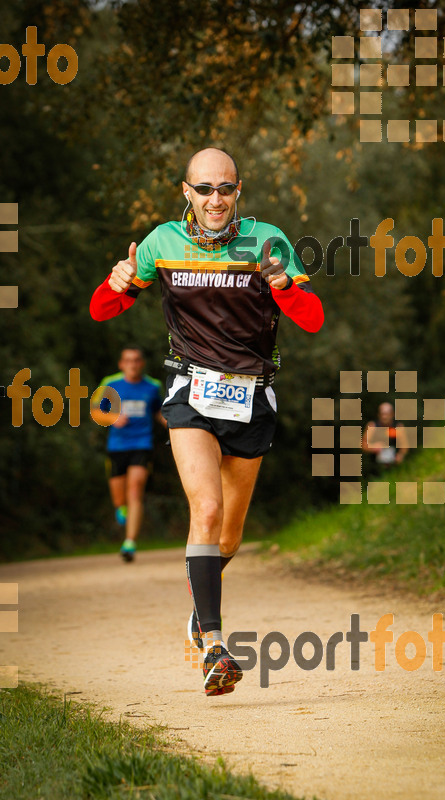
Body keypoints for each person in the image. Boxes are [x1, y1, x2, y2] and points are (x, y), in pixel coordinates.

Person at [90, 147, 324, 696]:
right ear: (186, 192)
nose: (214, 198)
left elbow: (311, 320)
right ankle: (214, 645)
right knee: (207, 508)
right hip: (189, 389)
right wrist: (119, 279)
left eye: (225, 188)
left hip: (251, 396)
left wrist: (283, 284)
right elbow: (103, 309)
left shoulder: (268, 241)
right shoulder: (162, 242)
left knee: (230, 535)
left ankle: (199, 610)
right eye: (204, 189)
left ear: (238, 191)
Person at [91, 347, 166, 562]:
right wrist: (113, 417)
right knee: (120, 498)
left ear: (142, 363)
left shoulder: (153, 386)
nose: (132, 364)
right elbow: (96, 411)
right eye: (128, 361)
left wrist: (173, 426)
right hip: (117, 447)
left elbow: (158, 411)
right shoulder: (110, 383)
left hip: (142, 444)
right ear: (121, 364)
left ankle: (130, 543)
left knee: (135, 491)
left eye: (136, 360)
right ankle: (120, 509)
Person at [362, 401, 409, 468]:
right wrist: (372, 447)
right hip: (375, 466)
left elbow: (404, 445)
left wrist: (400, 455)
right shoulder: (372, 426)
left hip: (394, 464)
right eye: (382, 414)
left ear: (393, 414)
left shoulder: (398, 427)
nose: (384, 417)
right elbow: (363, 445)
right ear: (378, 415)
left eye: (387, 414)